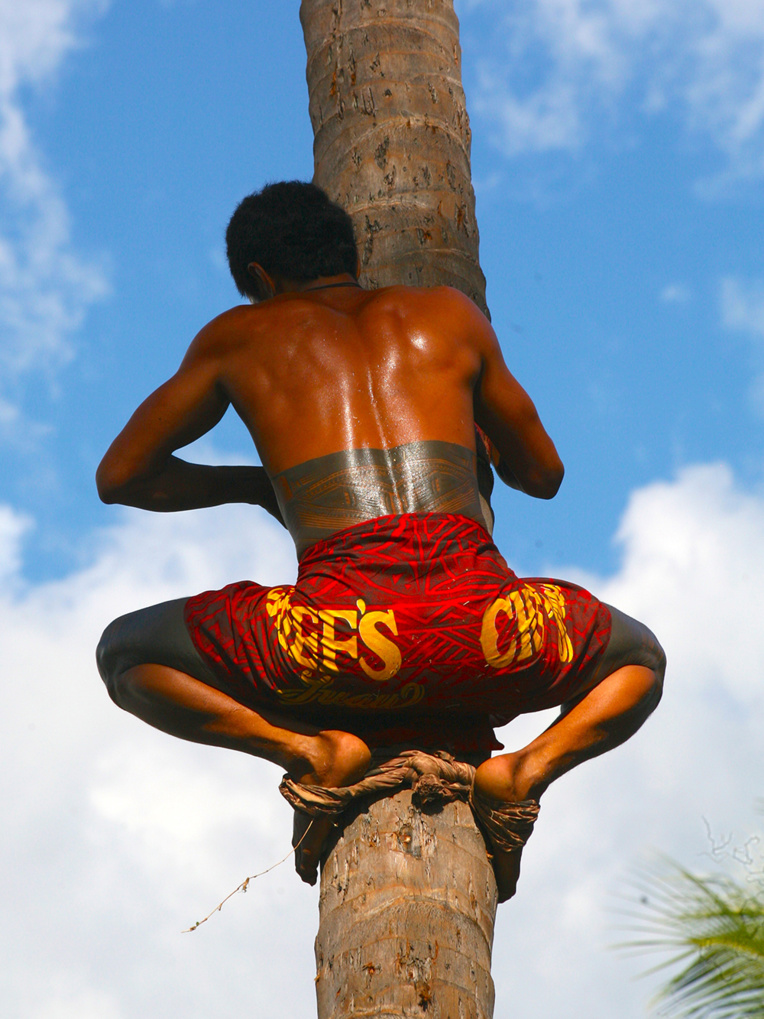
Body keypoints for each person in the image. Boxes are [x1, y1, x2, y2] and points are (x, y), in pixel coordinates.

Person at [96, 181, 665, 900]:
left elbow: (121, 476)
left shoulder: (238, 338)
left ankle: (308, 751)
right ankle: (526, 769)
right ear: (348, 254)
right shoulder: (448, 317)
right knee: (640, 658)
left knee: (125, 652)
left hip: (342, 640)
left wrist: (252, 486)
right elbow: (544, 474)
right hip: (487, 632)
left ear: (260, 281)